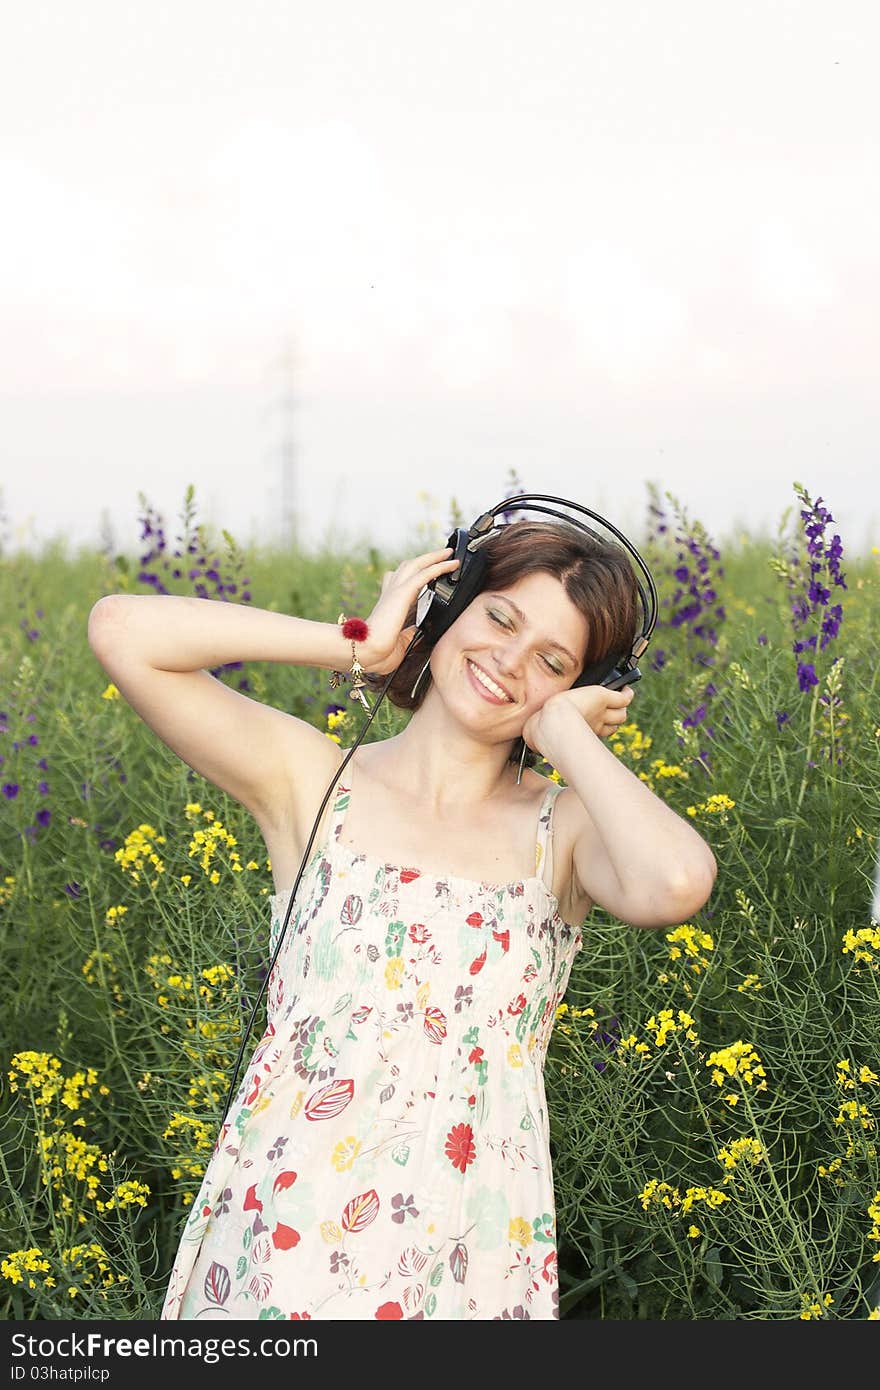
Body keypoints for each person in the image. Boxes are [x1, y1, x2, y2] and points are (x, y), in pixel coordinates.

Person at [87, 516, 717, 1321]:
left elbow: (676, 880)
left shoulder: (564, 833)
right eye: (499, 618)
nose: (509, 662)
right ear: (450, 603)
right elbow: (121, 629)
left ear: (587, 688)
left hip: (466, 1254)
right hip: (284, 1240)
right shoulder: (314, 783)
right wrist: (360, 642)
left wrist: (563, 736)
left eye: (552, 662)